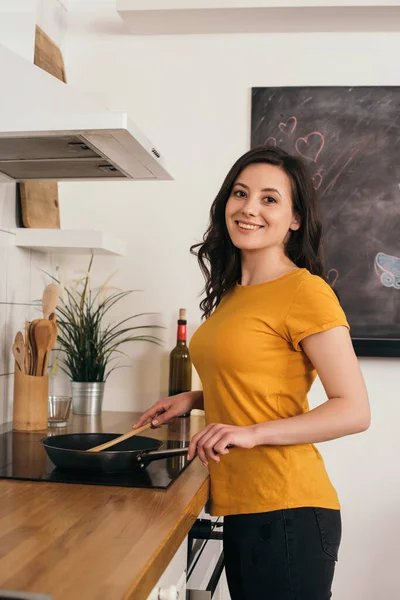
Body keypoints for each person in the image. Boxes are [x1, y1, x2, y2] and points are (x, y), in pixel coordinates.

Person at [133, 145, 370, 600]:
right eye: (240, 194)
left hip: (287, 508)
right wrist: (195, 399)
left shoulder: (305, 291)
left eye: (269, 198)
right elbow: (261, 378)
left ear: (295, 219)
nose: (249, 208)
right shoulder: (232, 294)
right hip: (246, 504)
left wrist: (253, 434)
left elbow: (354, 410)